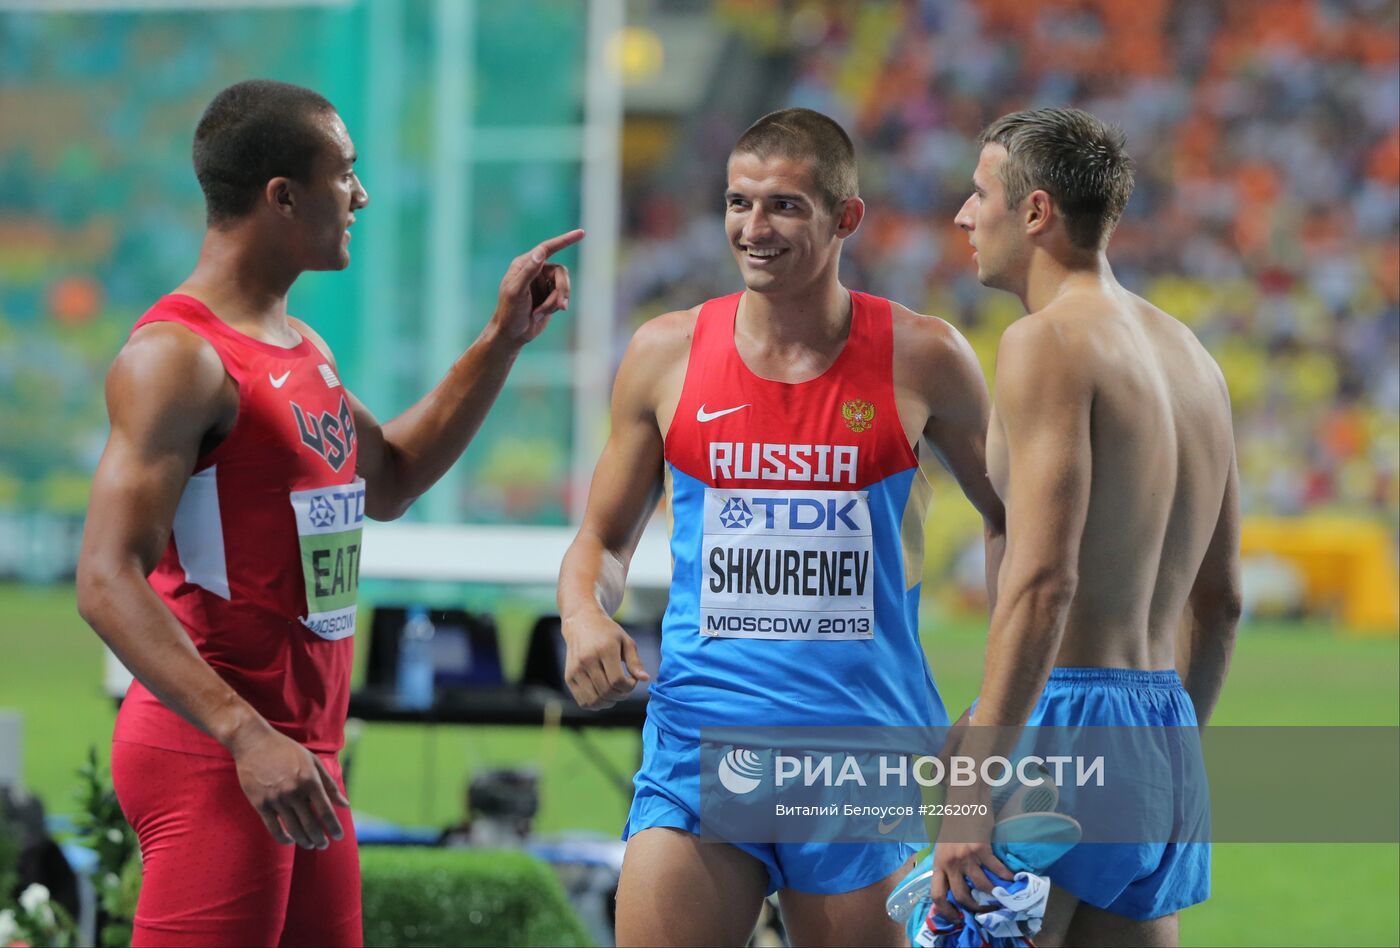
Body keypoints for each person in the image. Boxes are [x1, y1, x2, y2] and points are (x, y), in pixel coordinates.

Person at [75, 79, 581, 947]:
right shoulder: (176, 358)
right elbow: (103, 577)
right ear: (282, 196)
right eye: (345, 173)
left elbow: (391, 479)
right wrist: (244, 735)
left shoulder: (304, 348)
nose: (363, 196)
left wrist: (501, 342)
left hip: (301, 757)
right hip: (221, 755)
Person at [557, 107, 1006, 946]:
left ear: (846, 218)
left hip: (858, 755)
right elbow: (602, 542)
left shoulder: (924, 357)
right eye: (737, 203)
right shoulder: (666, 354)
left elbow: (1018, 525)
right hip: (701, 739)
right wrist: (585, 613)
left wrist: (1001, 694)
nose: (752, 229)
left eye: (784, 207)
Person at [931, 107, 1242, 946]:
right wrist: (1163, 761)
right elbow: (1222, 604)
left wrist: (973, 781)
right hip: (1164, 731)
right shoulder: (1195, 360)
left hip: (1060, 725)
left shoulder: (1047, 343)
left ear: (1034, 212)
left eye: (978, 193)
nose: (964, 215)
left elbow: (1044, 580)